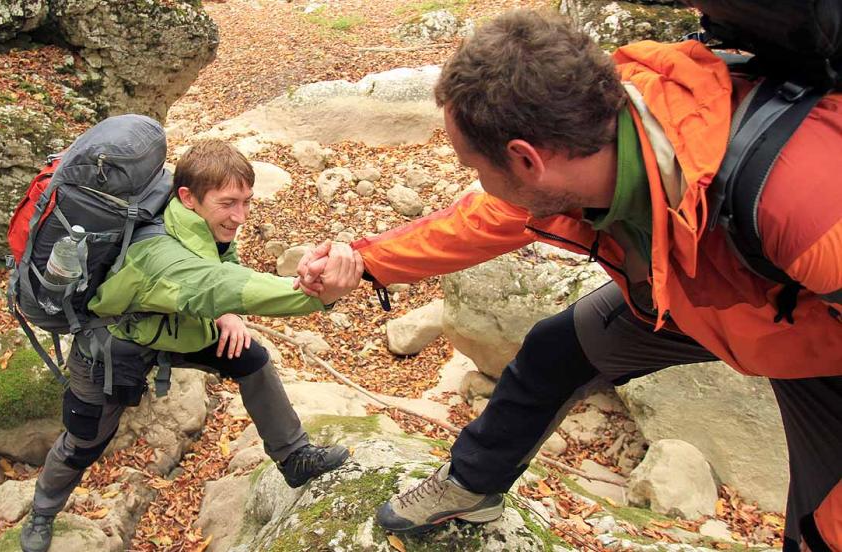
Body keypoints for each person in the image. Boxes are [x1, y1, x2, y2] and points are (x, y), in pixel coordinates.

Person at [297, 10, 841, 551]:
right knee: (556, 350)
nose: (478, 182)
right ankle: (471, 487)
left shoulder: (804, 204)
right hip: (688, 286)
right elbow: (485, 220)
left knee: (821, 530)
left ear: (526, 160)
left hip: (815, 347)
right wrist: (364, 259)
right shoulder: (596, 136)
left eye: (474, 168)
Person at [20, 140, 362, 552]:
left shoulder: (203, 221)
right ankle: (43, 508)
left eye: (247, 202)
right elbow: (217, 285)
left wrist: (228, 314)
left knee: (251, 358)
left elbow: (223, 266)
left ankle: (294, 457)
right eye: (229, 203)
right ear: (187, 196)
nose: (241, 216)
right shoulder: (158, 254)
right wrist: (318, 293)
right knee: (84, 441)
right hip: (116, 342)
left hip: (178, 324)